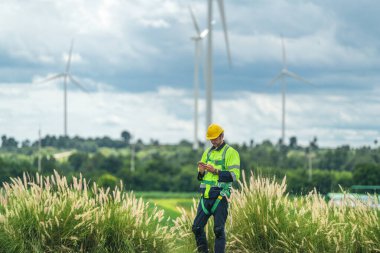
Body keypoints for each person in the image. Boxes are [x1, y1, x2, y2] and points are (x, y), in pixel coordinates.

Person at [192, 123, 240, 253]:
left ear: (222, 136)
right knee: (196, 228)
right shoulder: (207, 153)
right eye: (211, 139)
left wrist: (216, 171)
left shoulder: (231, 153)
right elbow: (201, 178)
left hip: (220, 197)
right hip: (206, 197)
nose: (212, 141)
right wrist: (201, 172)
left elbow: (234, 176)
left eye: (215, 138)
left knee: (218, 230)